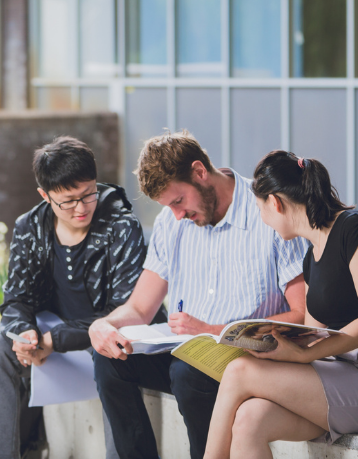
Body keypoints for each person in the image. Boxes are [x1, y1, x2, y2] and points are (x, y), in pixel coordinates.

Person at [89, 130, 309, 459]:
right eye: (169, 207)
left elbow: (301, 314)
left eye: (179, 201)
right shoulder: (170, 223)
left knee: (189, 373)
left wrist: (212, 331)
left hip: (249, 358)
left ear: (200, 172)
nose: (178, 215)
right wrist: (102, 325)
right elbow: (139, 307)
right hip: (186, 354)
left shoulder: (269, 212)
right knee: (111, 359)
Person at [203, 151, 358, 459]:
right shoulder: (310, 258)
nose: (261, 219)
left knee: (239, 372)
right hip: (342, 376)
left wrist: (305, 355)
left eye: (258, 207)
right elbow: (312, 334)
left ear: (275, 203)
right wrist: (270, 344)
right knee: (250, 419)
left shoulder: (354, 229)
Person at [0, 136, 164, 459]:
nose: (81, 207)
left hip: (105, 338)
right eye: (69, 200)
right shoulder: (29, 227)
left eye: (89, 194)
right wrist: (25, 333)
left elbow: (123, 309)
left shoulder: (121, 226)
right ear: (45, 196)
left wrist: (54, 340)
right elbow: (16, 299)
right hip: (54, 338)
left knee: (112, 354)